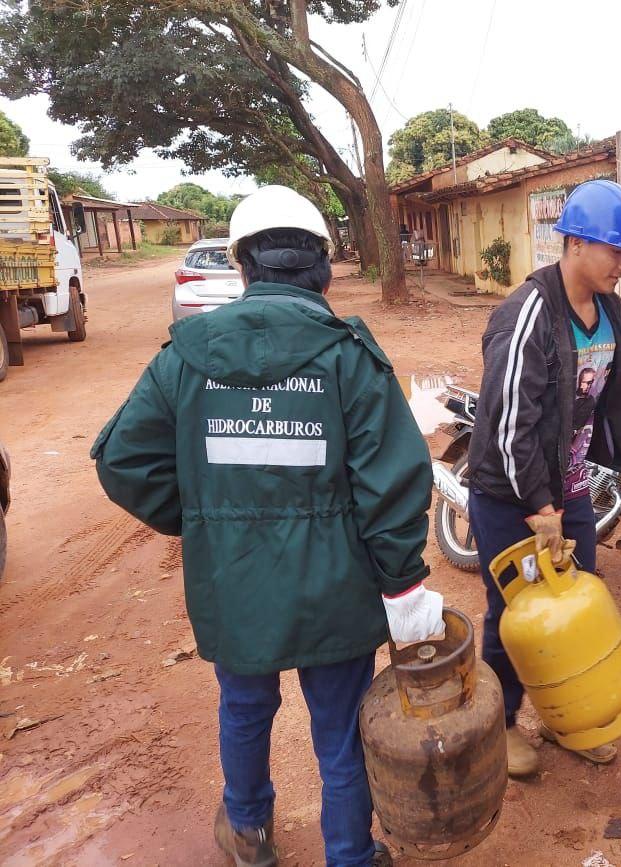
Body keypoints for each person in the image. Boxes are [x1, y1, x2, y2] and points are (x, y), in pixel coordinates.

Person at [91, 185, 442, 867]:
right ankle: (350, 854)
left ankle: (249, 831)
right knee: (340, 730)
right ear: (323, 269)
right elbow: (393, 480)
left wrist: (201, 516)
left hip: (234, 582)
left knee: (245, 707)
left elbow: (122, 460)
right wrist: (401, 580)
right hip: (336, 588)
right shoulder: (349, 357)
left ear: (243, 266)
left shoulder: (185, 357)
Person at [466, 179, 621, 777]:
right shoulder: (527, 312)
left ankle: (563, 717)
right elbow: (506, 423)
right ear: (574, 242)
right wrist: (538, 507)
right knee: (514, 614)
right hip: (513, 497)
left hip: (570, 488)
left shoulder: (608, 311)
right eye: (614, 251)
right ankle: (499, 730)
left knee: (574, 606)